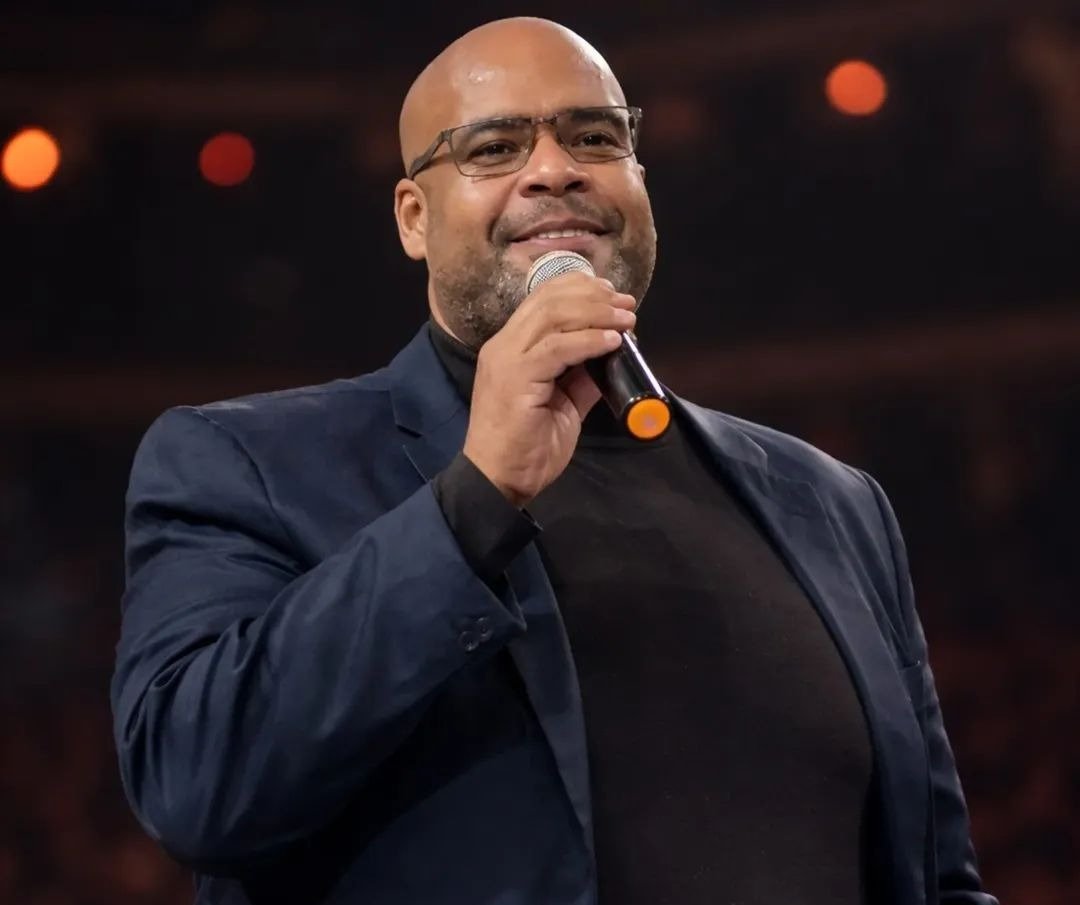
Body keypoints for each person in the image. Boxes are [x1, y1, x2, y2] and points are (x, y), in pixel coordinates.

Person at [111, 16, 998, 905]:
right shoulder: (248, 464)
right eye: (494, 147)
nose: (554, 169)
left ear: (639, 179)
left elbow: (936, 879)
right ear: (414, 218)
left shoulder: (834, 505)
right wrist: (475, 497)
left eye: (595, 137)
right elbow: (195, 783)